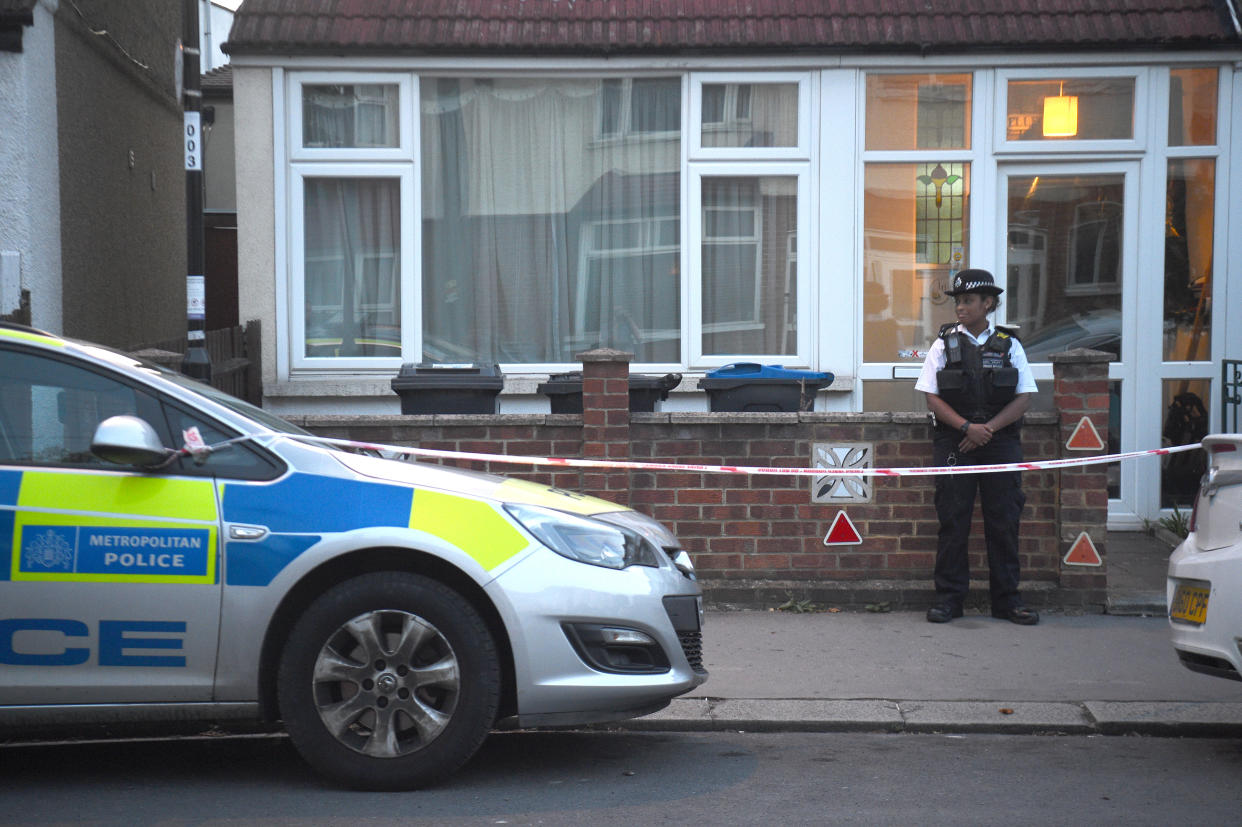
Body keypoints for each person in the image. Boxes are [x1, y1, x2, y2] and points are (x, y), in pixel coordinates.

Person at [914, 269, 1039, 625]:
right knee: (953, 522)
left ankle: (1007, 601)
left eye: (968, 300)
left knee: (1004, 522)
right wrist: (968, 427)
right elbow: (931, 398)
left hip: (1000, 444)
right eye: (958, 301)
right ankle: (949, 599)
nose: (961, 307)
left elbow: (1024, 397)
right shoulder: (943, 344)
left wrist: (987, 430)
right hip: (955, 441)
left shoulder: (1010, 344)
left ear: (988, 303)